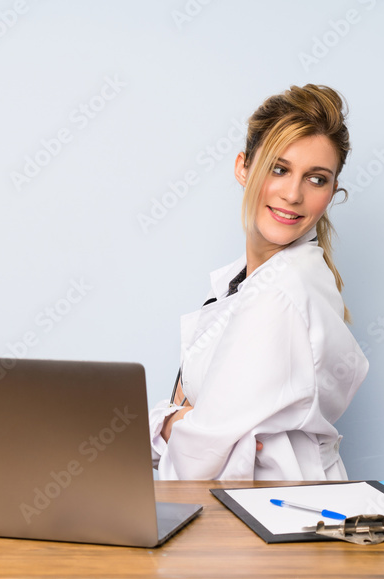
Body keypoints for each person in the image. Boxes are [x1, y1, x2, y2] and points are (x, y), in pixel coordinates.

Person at [149, 84, 368, 480]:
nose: (293, 194)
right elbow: (204, 437)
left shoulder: (281, 293)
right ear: (243, 168)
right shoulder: (244, 281)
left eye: (316, 179)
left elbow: (198, 460)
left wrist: (169, 426)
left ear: (332, 192)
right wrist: (179, 424)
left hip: (270, 510)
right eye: (279, 169)